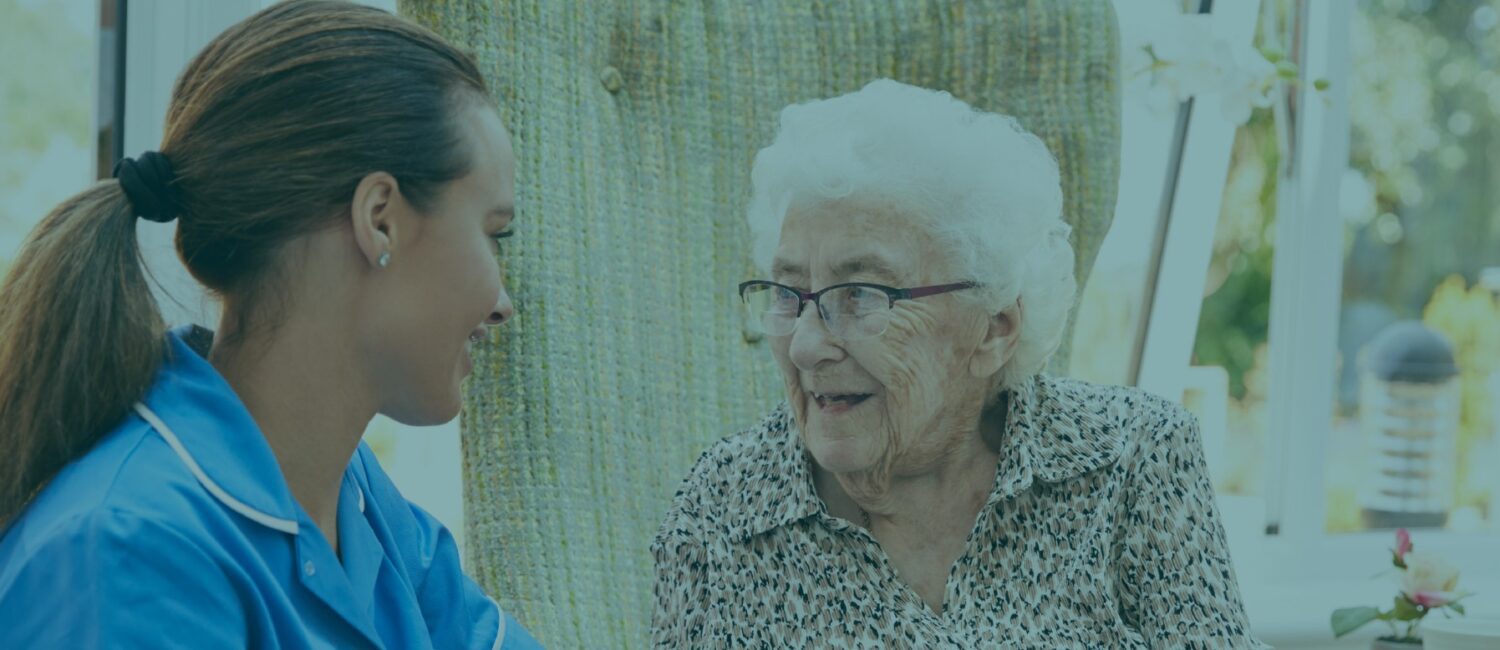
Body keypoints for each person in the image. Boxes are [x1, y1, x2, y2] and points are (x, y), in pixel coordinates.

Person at [0, 1, 541, 647]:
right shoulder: (128, 551)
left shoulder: (364, 510)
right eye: (493, 234)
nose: (504, 302)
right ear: (380, 220)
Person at [651, 79, 1265, 648]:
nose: (807, 346)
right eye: (789, 294)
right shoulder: (723, 509)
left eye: (862, 294)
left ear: (994, 328)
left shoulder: (1134, 462)